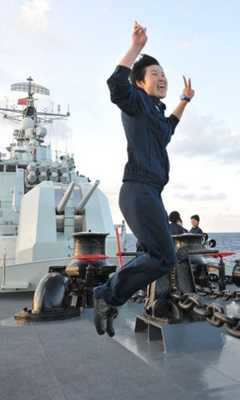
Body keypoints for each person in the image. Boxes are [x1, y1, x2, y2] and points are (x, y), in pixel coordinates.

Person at [93, 21, 195, 337]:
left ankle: (110, 298)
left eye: (163, 73)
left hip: (150, 192)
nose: (162, 77)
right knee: (163, 257)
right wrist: (136, 47)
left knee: (160, 256)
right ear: (140, 82)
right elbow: (116, 85)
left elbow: (169, 127)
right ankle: (107, 295)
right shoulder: (136, 101)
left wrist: (184, 99)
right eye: (154, 74)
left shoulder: (154, 112)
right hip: (138, 189)